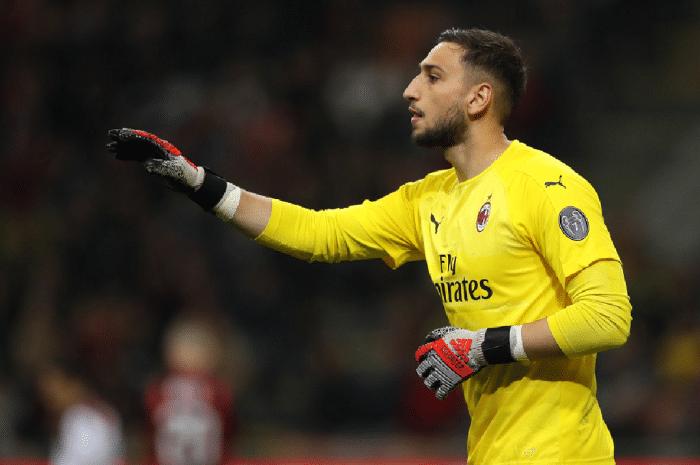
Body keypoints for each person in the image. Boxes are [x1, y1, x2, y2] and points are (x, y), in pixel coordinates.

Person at [107, 28, 632, 464]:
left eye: (432, 76)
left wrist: (484, 346)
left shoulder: (546, 185)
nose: (409, 90)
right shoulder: (429, 198)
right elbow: (320, 234)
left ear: (478, 99)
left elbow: (608, 317)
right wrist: (202, 185)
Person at [143, 315, 235, 465]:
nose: (190, 355)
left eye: (197, 348)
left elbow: (229, 430)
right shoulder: (157, 390)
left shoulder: (219, 391)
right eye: (186, 347)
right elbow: (150, 430)